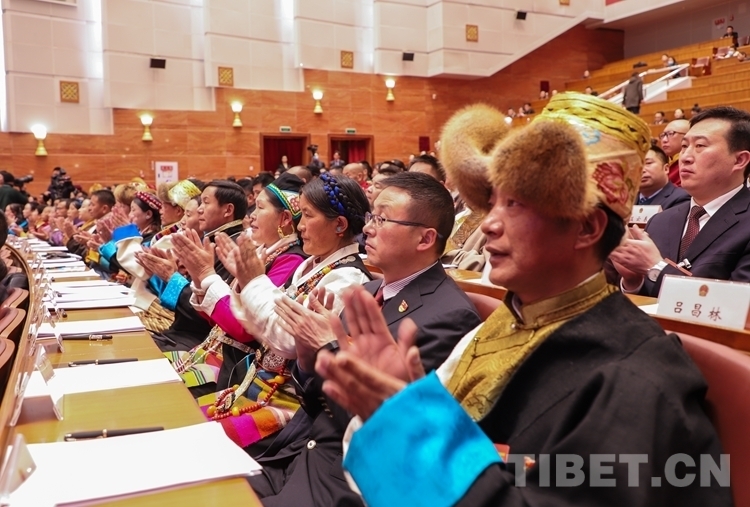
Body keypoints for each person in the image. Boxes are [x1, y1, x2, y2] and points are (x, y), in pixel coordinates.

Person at [316, 94, 732, 507]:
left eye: (514, 204)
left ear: (587, 228)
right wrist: (404, 401)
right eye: (492, 202)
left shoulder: (637, 377)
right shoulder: (500, 325)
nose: (490, 224)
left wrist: (407, 429)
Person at [248, 172, 482, 507]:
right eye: (371, 216)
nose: (368, 228)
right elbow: (316, 401)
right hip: (296, 455)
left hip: (343, 482)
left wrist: (331, 347)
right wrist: (307, 359)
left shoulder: (449, 316)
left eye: (382, 219)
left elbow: (391, 430)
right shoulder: (369, 290)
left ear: (425, 239)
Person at [168, 173, 308, 450]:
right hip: (214, 351)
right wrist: (196, 278)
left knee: (176, 414)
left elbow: (242, 330)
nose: (251, 215)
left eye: (261, 207)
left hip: (233, 364)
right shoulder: (255, 250)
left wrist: (190, 278)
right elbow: (214, 316)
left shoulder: (286, 259)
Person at [612, 106, 750, 298]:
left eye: (700, 146)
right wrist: (634, 281)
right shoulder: (660, 221)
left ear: (739, 160)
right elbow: (649, 297)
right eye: (684, 146)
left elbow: (736, 304)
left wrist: (656, 267)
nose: (685, 157)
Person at [142, 180, 247, 352]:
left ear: (228, 210)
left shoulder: (232, 247)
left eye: (206, 202)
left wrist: (172, 278)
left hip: (199, 341)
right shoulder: (215, 240)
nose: (200, 210)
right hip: (182, 333)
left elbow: (210, 312)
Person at [660, 118, 689, 186]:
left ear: (687, 136)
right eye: (663, 135)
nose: (664, 140)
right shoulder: (660, 160)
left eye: (670, 134)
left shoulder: (693, 162)